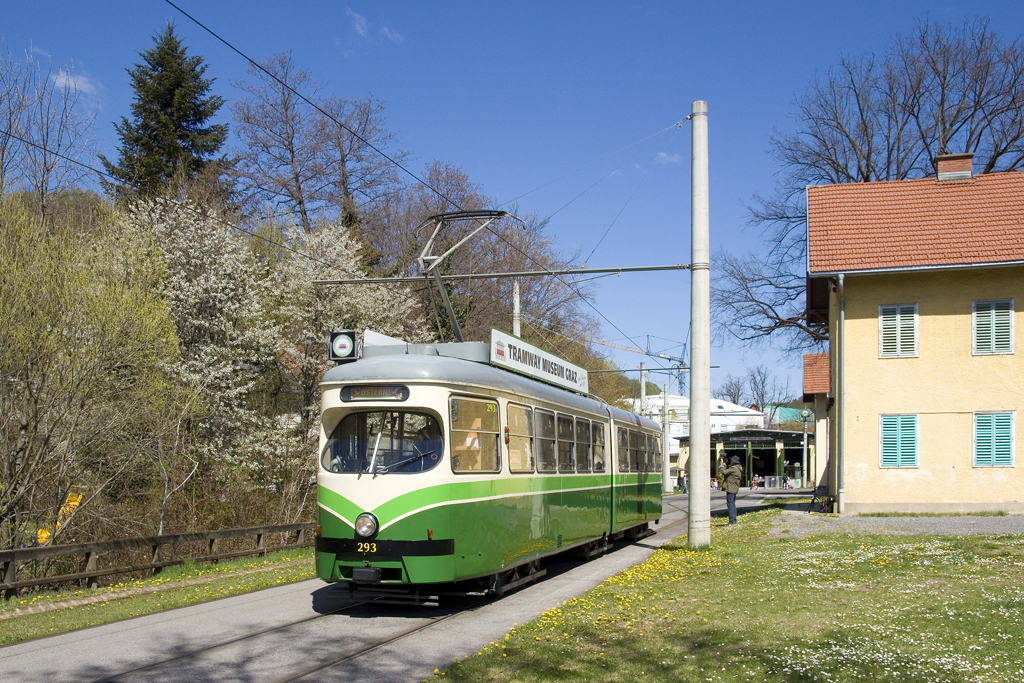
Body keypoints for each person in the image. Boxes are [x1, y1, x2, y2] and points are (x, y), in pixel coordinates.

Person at [720, 455, 743, 525]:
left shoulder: (734, 468)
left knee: (730, 504)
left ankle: (732, 520)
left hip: (731, 488)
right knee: (732, 503)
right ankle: (733, 519)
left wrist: (722, 465)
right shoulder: (738, 468)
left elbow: (724, 472)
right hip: (734, 488)